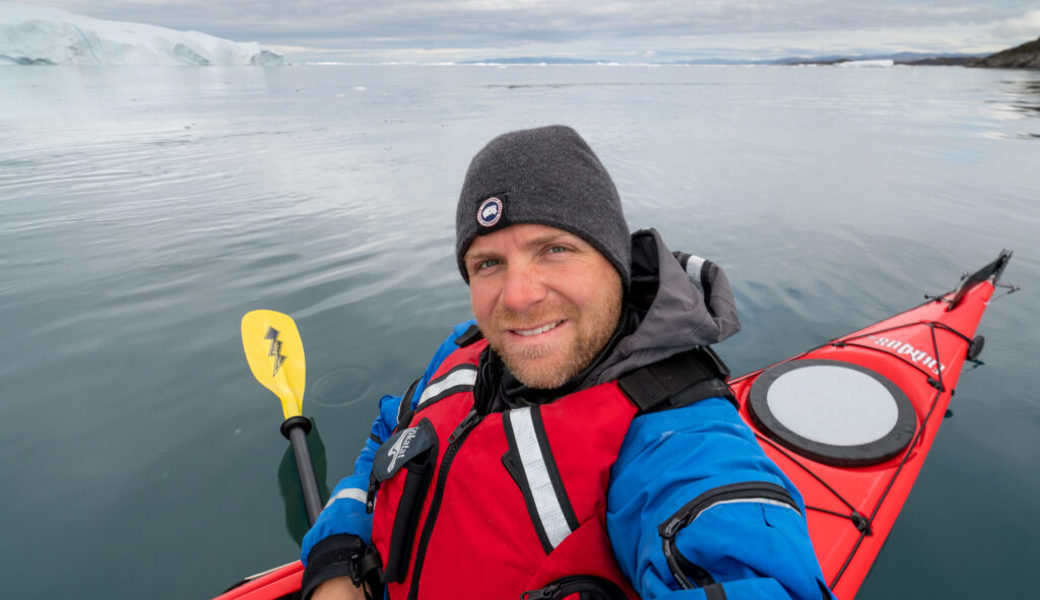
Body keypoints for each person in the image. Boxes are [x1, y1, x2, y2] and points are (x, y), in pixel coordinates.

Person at [300, 125, 832, 600]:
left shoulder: (675, 438)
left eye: (554, 249)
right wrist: (337, 558)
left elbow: (745, 557)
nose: (517, 297)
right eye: (488, 263)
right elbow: (388, 438)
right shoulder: (467, 351)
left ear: (615, 262)